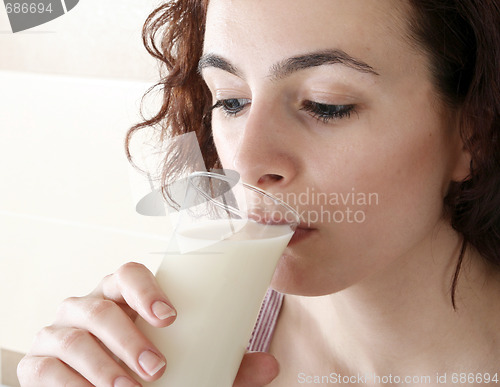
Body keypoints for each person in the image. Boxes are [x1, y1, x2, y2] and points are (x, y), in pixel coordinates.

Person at [18, 0, 500, 386]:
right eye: (231, 101)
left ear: (472, 132)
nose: (246, 163)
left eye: (326, 105)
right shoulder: (184, 346)